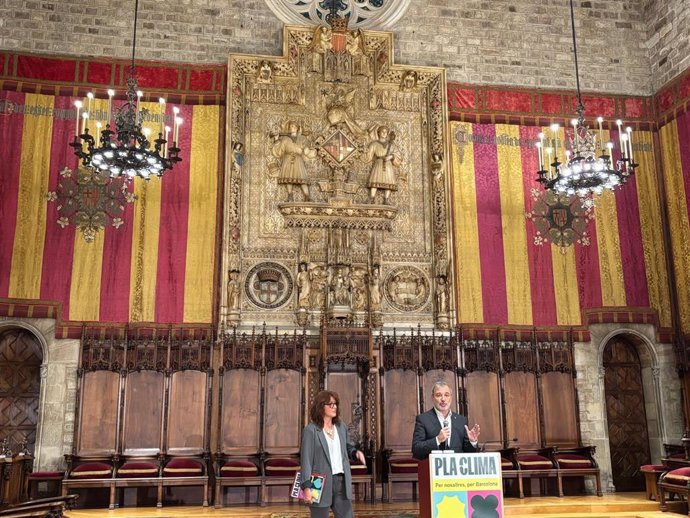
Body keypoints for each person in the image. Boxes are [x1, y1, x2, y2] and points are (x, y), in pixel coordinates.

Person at [300, 390, 366, 518]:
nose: (334, 407)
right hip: (318, 483)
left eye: (335, 404)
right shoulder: (311, 430)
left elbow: (346, 447)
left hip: (341, 482)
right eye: (330, 404)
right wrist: (306, 487)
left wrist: (355, 453)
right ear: (321, 407)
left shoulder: (341, 427)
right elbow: (306, 460)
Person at [412, 380, 481, 460]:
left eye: (446, 395)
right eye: (438, 395)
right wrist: (437, 440)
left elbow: (468, 452)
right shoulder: (423, 419)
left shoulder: (461, 420)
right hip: (432, 469)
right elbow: (416, 449)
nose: (443, 399)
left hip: (456, 469)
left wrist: (472, 442)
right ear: (432, 398)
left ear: (451, 397)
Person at [272, 120, 316, 201]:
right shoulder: (285, 139)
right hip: (288, 159)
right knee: (289, 179)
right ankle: (290, 196)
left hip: (298, 159)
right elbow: (280, 151)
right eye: (291, 126)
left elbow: (307, 148)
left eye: (294, 126)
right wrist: (276, 139)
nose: (292, 128)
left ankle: (307, 196)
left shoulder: (302, 138)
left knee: (303, 178)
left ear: (297, 128)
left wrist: (306, 148)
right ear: (289, 128)